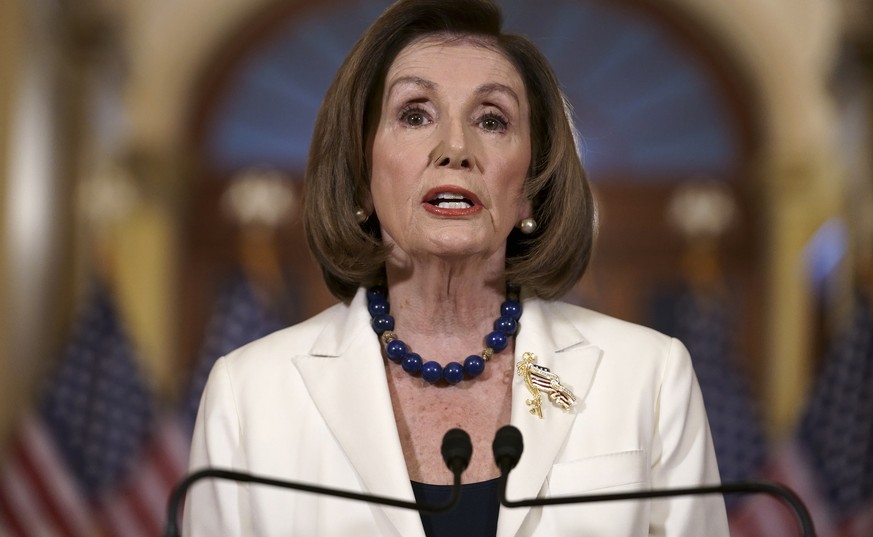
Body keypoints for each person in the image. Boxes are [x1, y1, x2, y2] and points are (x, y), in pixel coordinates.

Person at [184, 0, 729, 535]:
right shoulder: (250, 395)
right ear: (361, 176)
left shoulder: (646, 377)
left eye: (492, 120)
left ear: (530, 191)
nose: (455, 148)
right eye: (415, 114)